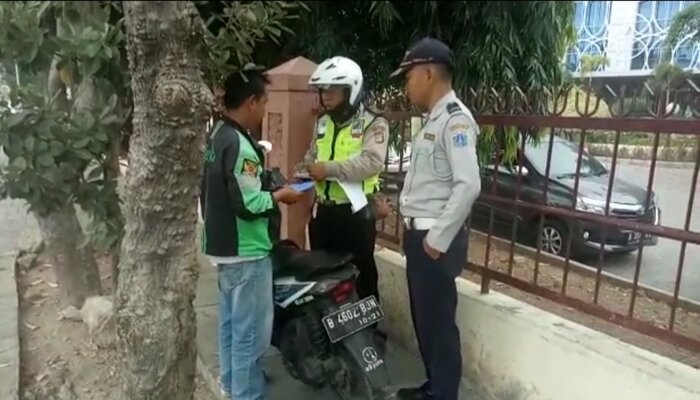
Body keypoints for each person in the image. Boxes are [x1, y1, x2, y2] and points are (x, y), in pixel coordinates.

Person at [200, 69, 304, 400]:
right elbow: (248, 202)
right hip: (247, 251)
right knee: (251, 335)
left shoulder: (217, 135)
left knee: (231, 326)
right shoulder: (241, 146)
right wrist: (280, 196)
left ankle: (232, 385)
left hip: (224, 248)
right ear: (251, 102)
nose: (264, 110)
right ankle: (248, 395)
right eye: (264, 103)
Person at [391, 37, 481, 400]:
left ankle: (444, 394)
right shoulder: (433, 119)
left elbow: (469, 184)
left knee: (439, 325)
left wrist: (436, 239)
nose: (406, 83)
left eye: (409, 75)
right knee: (425, 322)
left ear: (428, 73)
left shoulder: (455, 120)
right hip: (422, 238)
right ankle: (434, 387)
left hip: (435, 242)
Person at [296, 56, 390, 304]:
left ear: (350, 89)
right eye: (322, 88)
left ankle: (368, 334)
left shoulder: (373, 123)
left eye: (332, 88)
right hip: (324, 213)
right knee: (324, 277)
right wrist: (306, 170)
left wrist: (327, 169)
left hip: (355, 214)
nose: (325, 94)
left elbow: (372, 162)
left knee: (362, 276)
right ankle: (330, 333)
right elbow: (311, 156)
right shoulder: (323, 122)